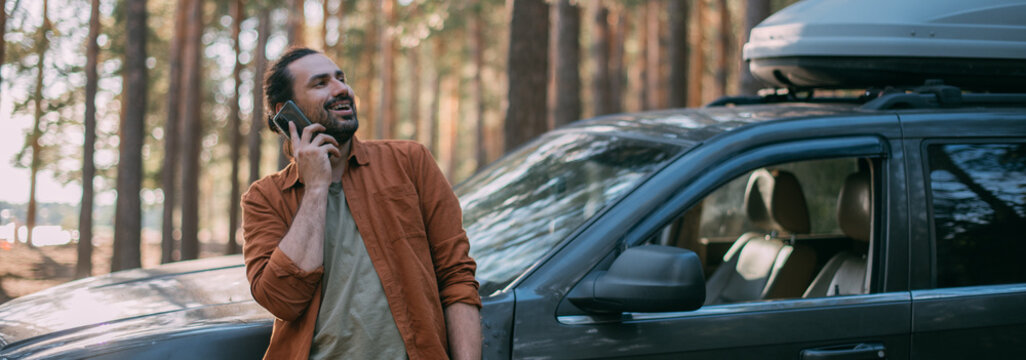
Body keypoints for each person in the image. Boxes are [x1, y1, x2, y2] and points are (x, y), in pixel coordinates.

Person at [241, 47, 482, 360]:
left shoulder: (410, 161)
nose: (342, 89)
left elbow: (457, 276)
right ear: (286, 110)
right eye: (320, 83)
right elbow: (281, 300)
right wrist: (315, 188)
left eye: (341, 79)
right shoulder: (265, 197)